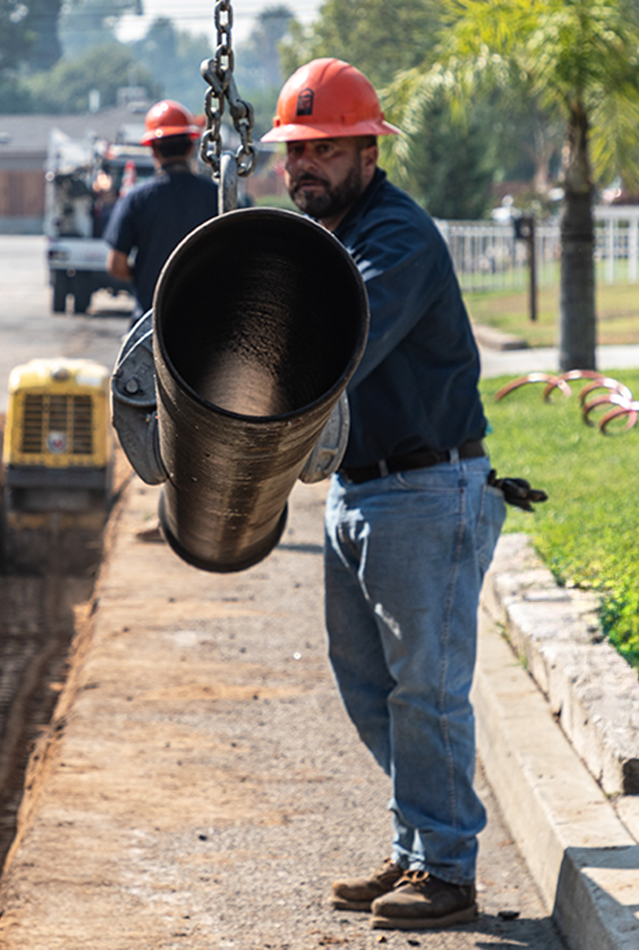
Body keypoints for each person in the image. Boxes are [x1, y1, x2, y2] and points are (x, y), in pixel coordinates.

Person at [261, 57, 507, 931]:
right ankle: (414, 847)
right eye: (295, 151)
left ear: (369, 150)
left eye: (325, 149)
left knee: (426, 690)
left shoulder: (395, 238)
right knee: (371, 687)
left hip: (425, 490)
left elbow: (338, 341)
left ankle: (447, 869)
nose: (305, 168)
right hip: (362, 493)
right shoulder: (331, 237)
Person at [104, 100, 219, 317]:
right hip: (206, 324)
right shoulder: (215, 196)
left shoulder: (136, 199)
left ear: (153, 149)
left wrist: (149, 276)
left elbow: (116, 265)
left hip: (150, 320)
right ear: (191, 146)